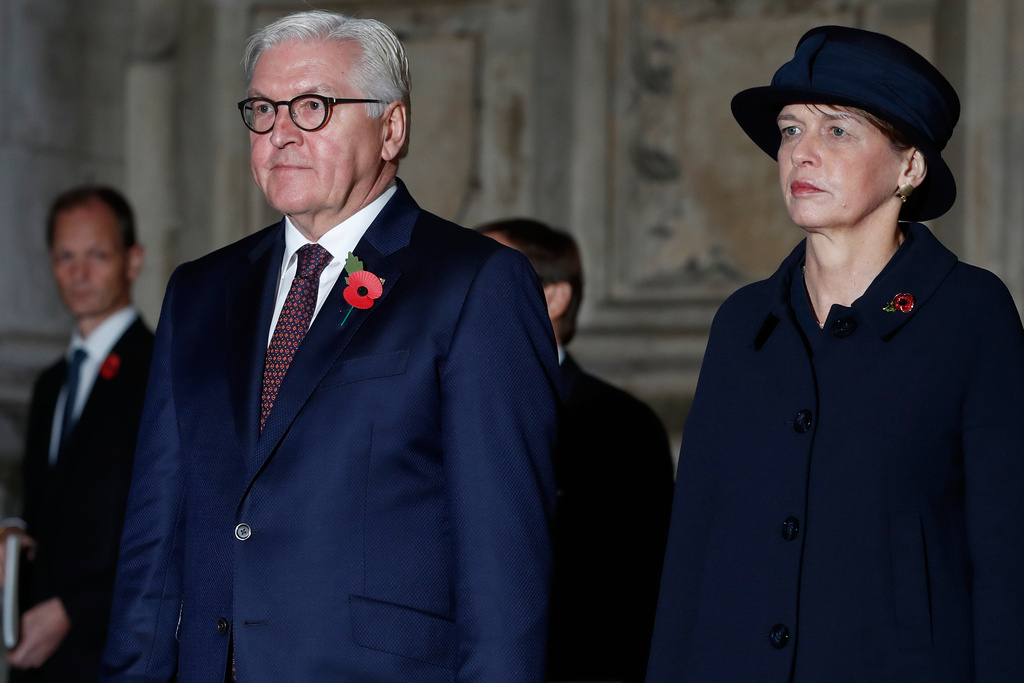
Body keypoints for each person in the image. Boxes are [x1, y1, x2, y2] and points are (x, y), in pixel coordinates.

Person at [99, 10, 559, 683]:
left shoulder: (475, 284)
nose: (280, 132)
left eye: (312, 106)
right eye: (262, 109)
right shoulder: (201, 291)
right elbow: (154, 534)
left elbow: (504, 567)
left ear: (392, 127)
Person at [646, 25, 1024, 682]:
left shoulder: (970, 314)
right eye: (791, 130)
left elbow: (1007, 555)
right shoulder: (743, 323)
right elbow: (692, 552)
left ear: (909, 166)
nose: (801, 154)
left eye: (838, 130)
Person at [478, 218, 673, 682]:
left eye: (482, 279)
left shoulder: (620, 425)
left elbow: (626, 599)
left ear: (553, 296)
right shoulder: (428, 405)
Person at [0, 186, 152, 682]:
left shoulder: (160, 372)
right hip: (38, 656)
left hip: (112, 652)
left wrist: (74, 609)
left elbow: (166, 530)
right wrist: (17, 530)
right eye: (66, 256)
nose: (78, 273)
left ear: (133, 260)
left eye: (97, 255)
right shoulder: (50, 384)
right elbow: (45, 500)